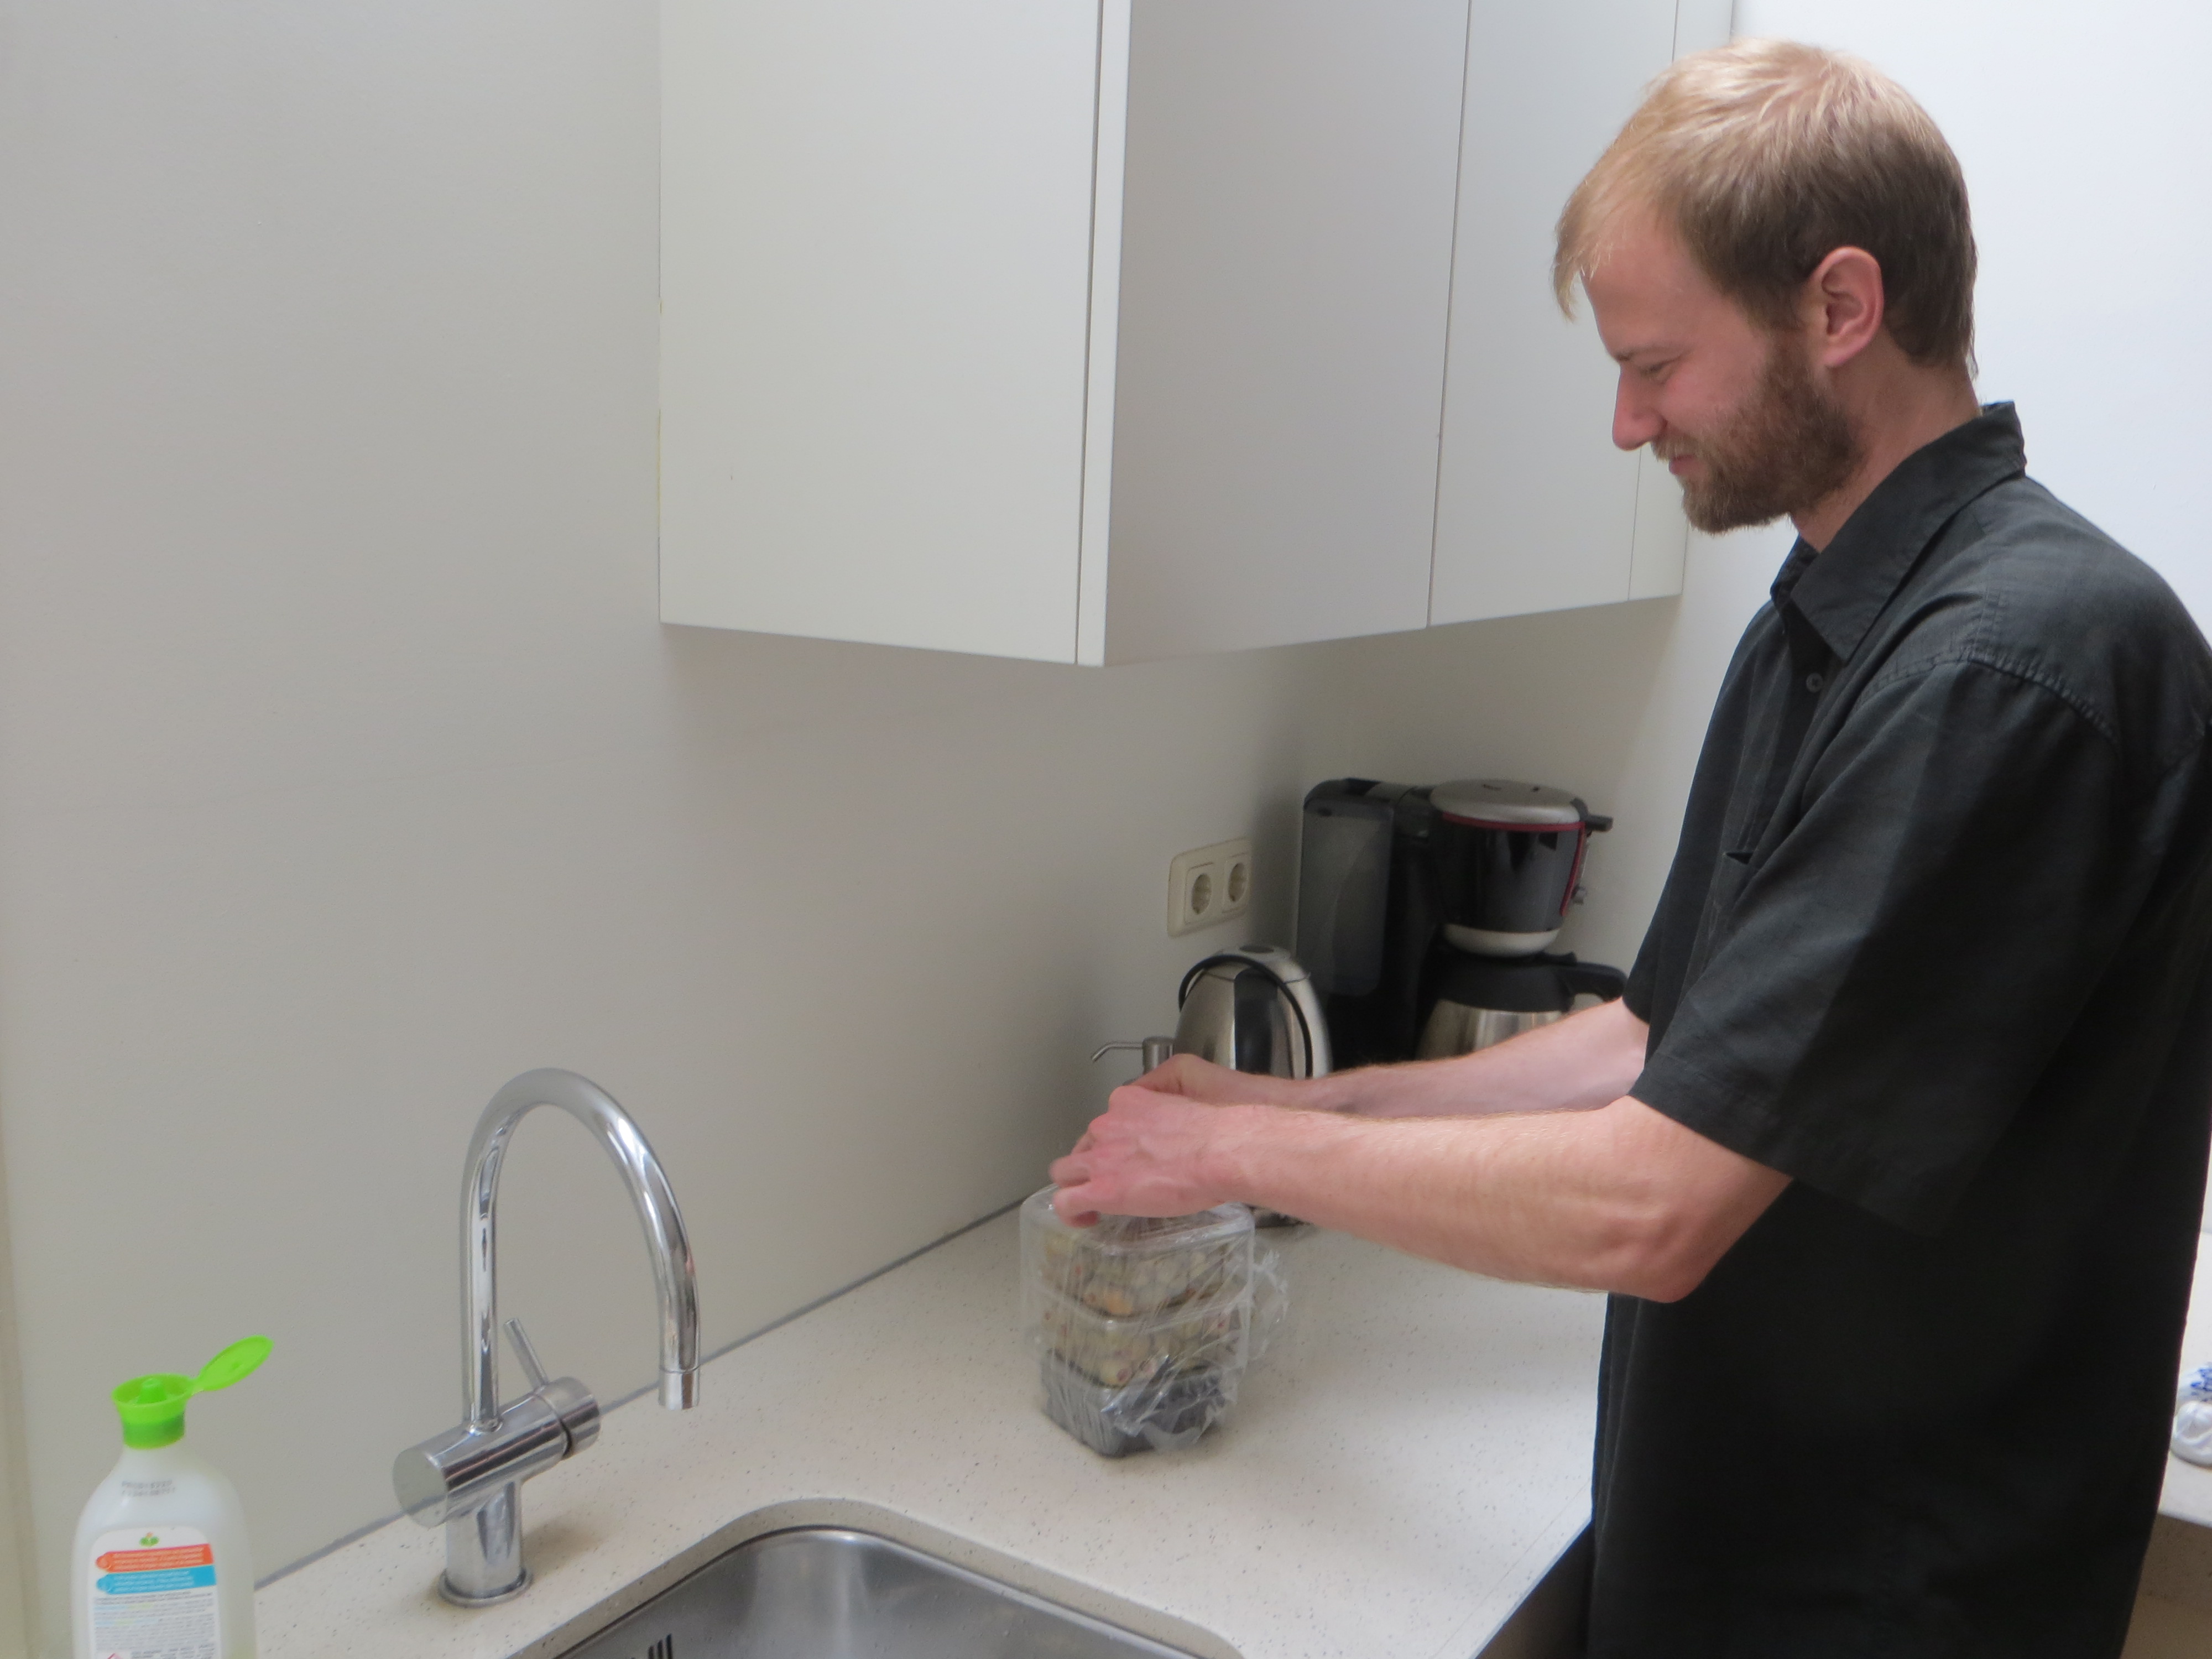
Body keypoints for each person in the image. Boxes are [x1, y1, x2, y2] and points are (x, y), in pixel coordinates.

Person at [1048, 39, 2212, 1658]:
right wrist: (1300, 1107)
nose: (1625, 421)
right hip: (1737, 1542)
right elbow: (1654, 1043)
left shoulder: (2010, 670)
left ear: (1840, 307)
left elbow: (1650, 1208)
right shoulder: (1829, 623)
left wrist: (1230, 1163)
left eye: (1657, 364)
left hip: (1883, 1598)